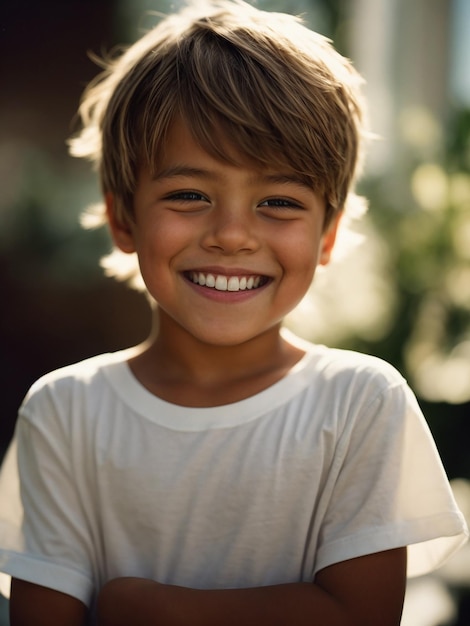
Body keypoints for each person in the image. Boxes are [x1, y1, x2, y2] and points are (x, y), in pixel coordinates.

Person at [0, 1, 467, 624]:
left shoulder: (361, 403)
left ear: (327, 236)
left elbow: (364, 614)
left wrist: (151, 605)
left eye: (277, 201)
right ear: (122, 218)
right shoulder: (63, 411)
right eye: (190, 194)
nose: (231, 235)